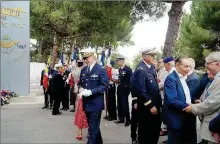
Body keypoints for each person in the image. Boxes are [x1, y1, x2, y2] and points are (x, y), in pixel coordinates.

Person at [184, 52, 220, 144]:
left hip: (215, 128)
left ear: (217, 63)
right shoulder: (215, 78)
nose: (206, 67)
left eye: (207, 64)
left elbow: (211, 104)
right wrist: (201, 101)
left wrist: (193, 108)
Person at [78, 48, 108, 144]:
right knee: (93, 126)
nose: (85, 60)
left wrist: (91, 92)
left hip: (96, 103)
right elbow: (80, 83)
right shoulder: (84, 70)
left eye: (86, 58)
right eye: (84, 58)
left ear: (92, 56)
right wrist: (81, 89)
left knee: (92, 130)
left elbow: (104, 85)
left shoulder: (100, 69)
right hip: (86, 103)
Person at [164, 56, 196, 144]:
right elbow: (172, 100)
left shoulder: (182, 77)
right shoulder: (171, 78)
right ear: (177, 65)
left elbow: (184, 95)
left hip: (184, 117)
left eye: (190, 66)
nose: (189, 69)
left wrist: (194, 100)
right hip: (176, 119)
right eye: (186, 66)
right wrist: (190, 106)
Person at [131, 49, 162, 144]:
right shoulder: (141, 69)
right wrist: (150, 105)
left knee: (154, 129)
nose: (154, 58)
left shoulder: (151, 67)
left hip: (155, 103)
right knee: (146, 130)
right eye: (152, 55)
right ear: (145, 56)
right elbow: (141, 91)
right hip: (147, 107)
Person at [114, 56, 132, 127]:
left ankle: (128, 120)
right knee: (119, 104)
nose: (117, 62)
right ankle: (121, 118)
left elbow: (131, 80)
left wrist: (129, 90)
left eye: (118, 61)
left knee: (125, 105)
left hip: (125, 89)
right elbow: (120, 79)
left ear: (122, 61)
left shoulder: (128, 69)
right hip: (119, 88)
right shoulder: (120, 70)